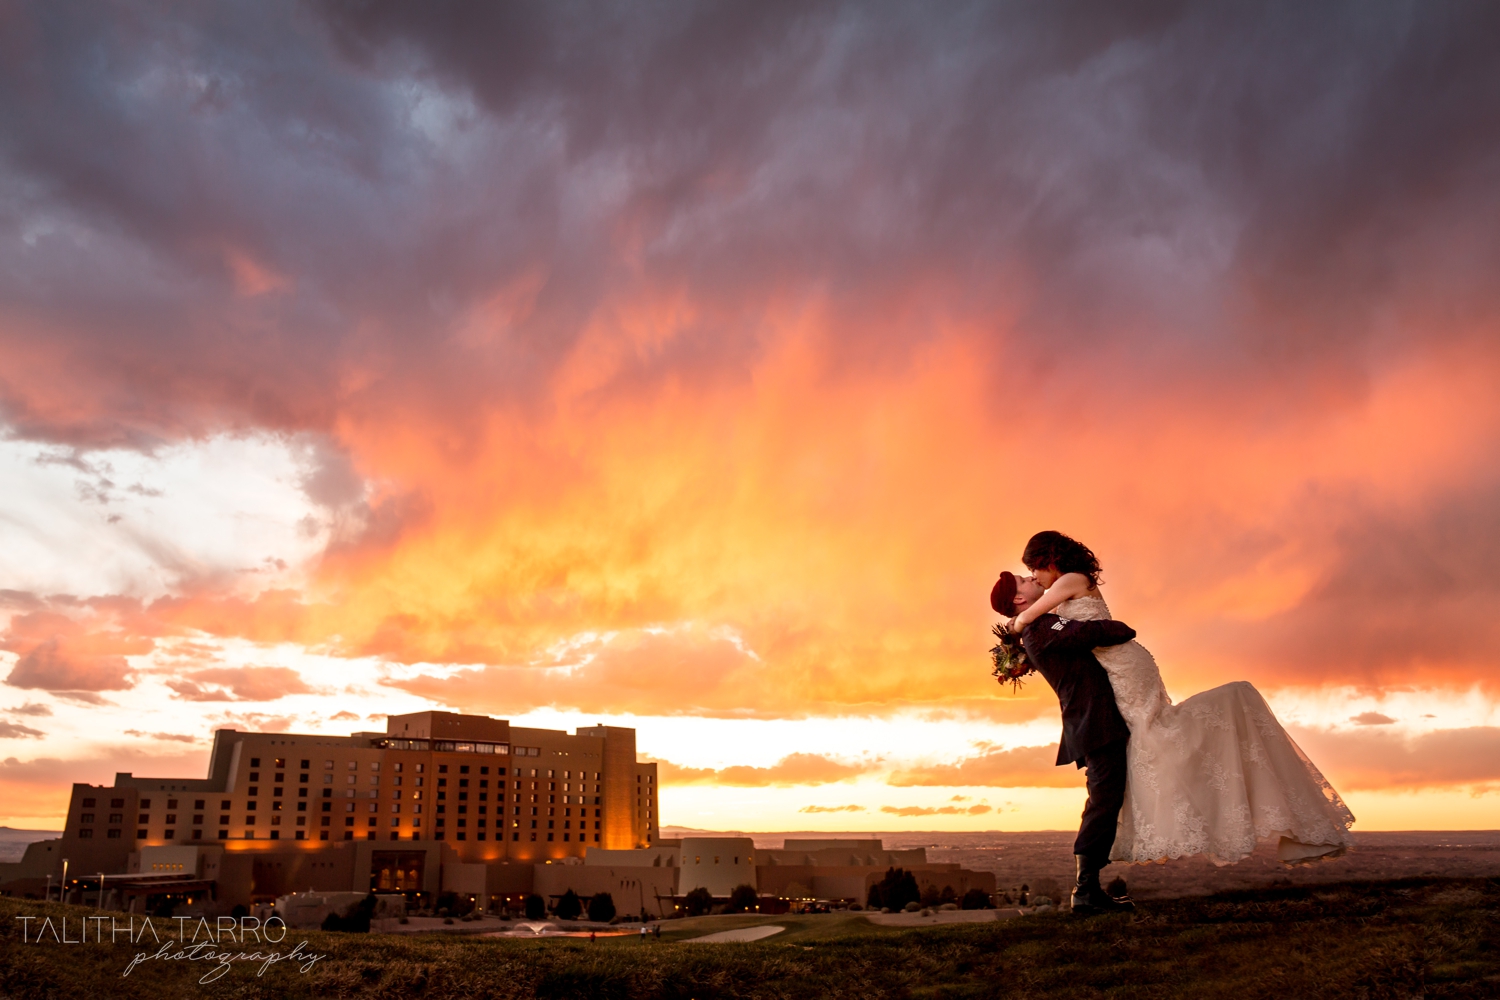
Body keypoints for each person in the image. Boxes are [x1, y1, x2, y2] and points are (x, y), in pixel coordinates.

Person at [996, 530, 1355, 867]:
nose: (1034, 577)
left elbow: (1038, 618)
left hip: (1125, 665)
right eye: (1026, 576)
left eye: (1034, 570)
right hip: (1120, 668)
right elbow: (1060, 632)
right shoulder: (1053, 608)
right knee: (1156, 738)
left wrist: (1016, 626)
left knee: (1157, 733)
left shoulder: (1069, 581)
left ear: (1050, 560)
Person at [991, 569, 1138, 914]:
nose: (1036, 581)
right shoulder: (1042, 628)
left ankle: (1088, 889)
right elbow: (1105, 631)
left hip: (1092, 723)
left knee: (1102, 799)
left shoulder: (1039, 625)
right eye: (1025, 581)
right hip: (1095, 725)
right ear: (1018, 599)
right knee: (1103, 801)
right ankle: (1086, 892)